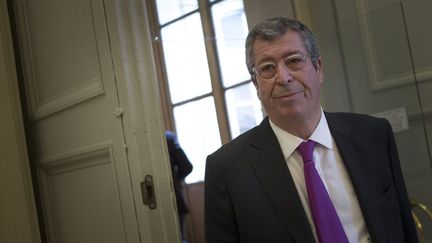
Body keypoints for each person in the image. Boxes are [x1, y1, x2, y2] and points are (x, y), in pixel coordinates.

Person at [204, 17, 418, 243]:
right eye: (267, 68)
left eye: (294, 61)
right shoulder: (227, 169)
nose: (284, 78)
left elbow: (403, 226)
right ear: (257, 85)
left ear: (318, 69)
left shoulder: (374, 136)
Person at [165, 131, 193, 241]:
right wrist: (175, 181)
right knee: (178, 237)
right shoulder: (169, 139)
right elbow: (187, 166)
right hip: (174, 198)